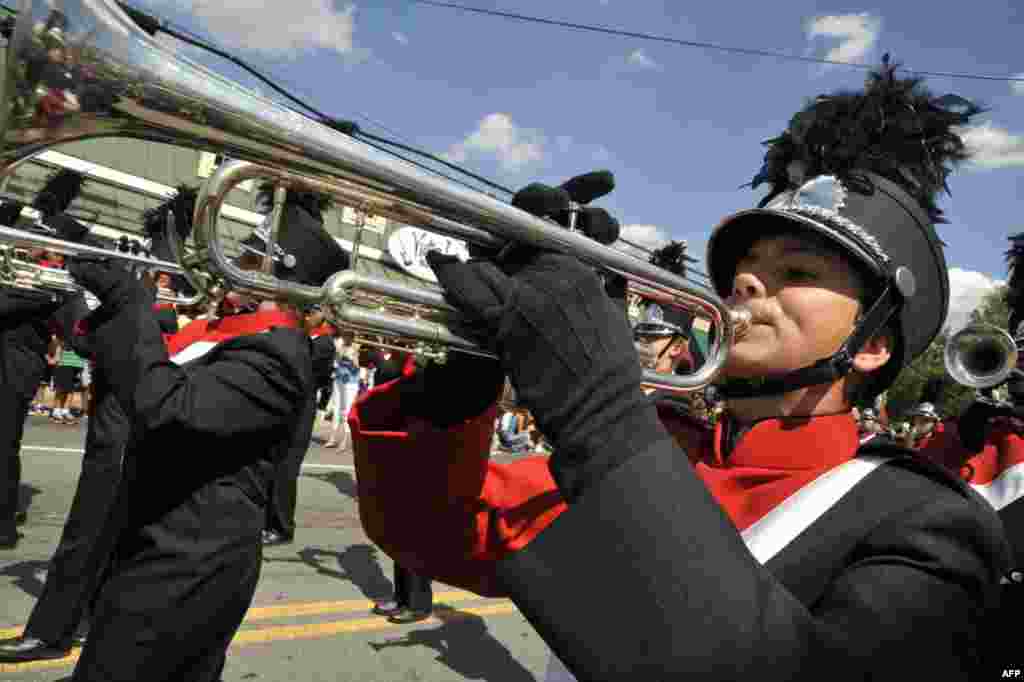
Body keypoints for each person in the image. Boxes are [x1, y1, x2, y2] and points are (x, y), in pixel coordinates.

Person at [349, 62, 1010, 680]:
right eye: (744, 270)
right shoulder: (667, 446)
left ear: (870, 346)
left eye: (799, 273)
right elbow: (431, 534)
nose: (747, 283)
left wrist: (600, 412)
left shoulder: (929, 523)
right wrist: (465, 376)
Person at [59, 192, 348, 681]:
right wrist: (103, 295)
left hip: (190, 565)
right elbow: (120, 360)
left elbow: (166, 408)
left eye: (251, 259)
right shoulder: (228, 333)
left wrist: (134, 302)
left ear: (281, 281)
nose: (234, 266)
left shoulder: (277, 355)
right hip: (159, 542)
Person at [324, 332, 360, 449]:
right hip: (339, 380)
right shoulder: (340, 347)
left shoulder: (356, 348)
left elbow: (357, 367)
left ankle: (344, 440)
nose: (345, 338)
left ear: (352, 337)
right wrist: (339, 355)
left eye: (347, 336)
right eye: (344, 336)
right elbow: (336, 363)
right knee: (336, 408)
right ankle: (332, 438)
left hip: (350, 382)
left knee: (346, 409)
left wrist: (352, 357)